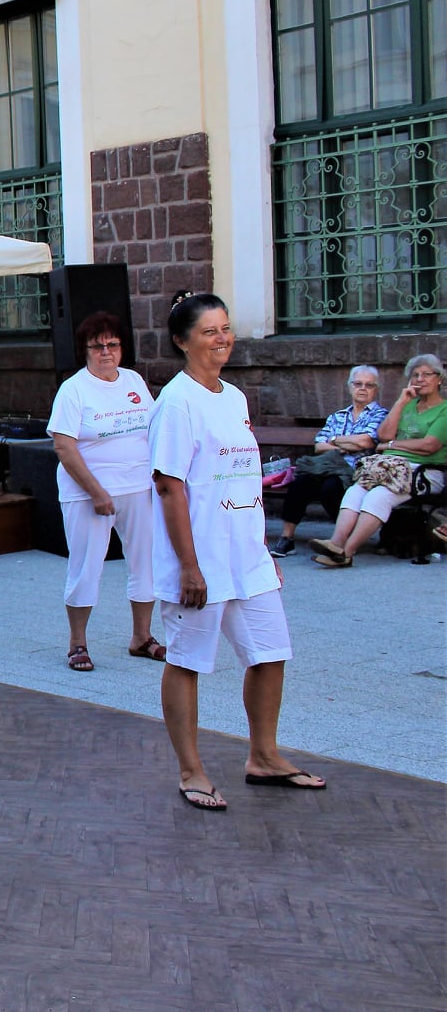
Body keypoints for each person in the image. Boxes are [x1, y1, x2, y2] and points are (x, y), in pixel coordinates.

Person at [151, 293, 324, 811]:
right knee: (187, 660)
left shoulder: (234, 397)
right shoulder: (176, 403)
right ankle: (191, 770)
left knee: (270, 652)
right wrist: (188, 566)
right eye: (209, 331)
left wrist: (262, 551)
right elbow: (169, 487)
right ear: (182, 341)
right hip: (199, 560)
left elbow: (243, 482)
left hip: (246, 558)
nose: (222, 339)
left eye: (225, 328)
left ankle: (264, 756)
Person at [47, 311, 162, 671]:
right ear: (85, 350)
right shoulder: (74, 389)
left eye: (112, 344)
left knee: (145, 564)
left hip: (139, 488)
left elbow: (153, 430)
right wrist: (96, 492)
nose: (106, 352)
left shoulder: (133, 381)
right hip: (88, 495)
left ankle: (141, 637)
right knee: (86, 567)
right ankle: (77, 643)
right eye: (97, 346)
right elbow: (64, 446)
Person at [311, 354, 446, 569]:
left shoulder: (444, 409)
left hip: (423, 472)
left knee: (378, 496)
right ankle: (335, 544)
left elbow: (429, 445)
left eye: (426, 374)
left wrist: (392, 445)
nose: (420, 379)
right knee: (356, 491)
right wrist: (401, 402)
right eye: (415, 375)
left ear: (439, 378)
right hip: (389, 468)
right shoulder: (408, 406)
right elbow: (383, 435)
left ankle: (347, 552)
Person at [270, 366, 384, 558]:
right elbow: (319, 446)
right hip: (326, 467)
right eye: (358, 384)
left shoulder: (381, 415)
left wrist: (335, 439)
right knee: (300, 483)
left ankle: (342, 538)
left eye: (369, 385)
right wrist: (345, 445)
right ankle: (287, 538)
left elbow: (366, 442)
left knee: (330, 488)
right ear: (350, 387)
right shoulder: (338, 416)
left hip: (355, 471)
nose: (363, 388)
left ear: (376, 389)